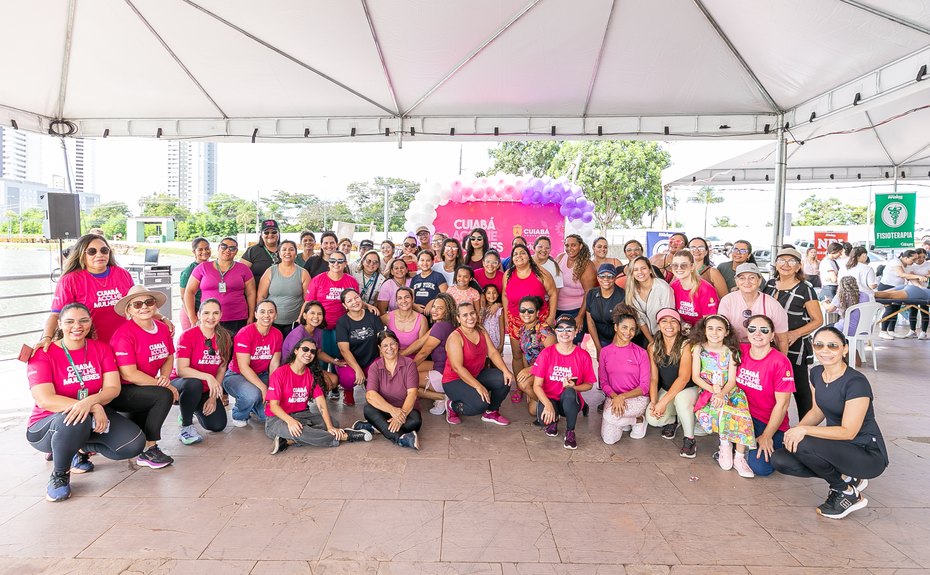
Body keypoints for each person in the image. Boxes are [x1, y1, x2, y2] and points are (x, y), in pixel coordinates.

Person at [26, 303, 145, 502]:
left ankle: (79, 447)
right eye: (69, 321)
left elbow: (112, 389)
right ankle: (60, 475)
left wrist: (92, 402)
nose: (77, 326)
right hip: (47, 426)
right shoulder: (42, 354)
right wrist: (93, 405)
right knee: (76, 417)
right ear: (60, 325)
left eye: (83, 320)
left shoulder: (101, 349)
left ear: (91, 323)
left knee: (133, 444)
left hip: (88, 414)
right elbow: (45, 399)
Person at [771, 326, 889, 519]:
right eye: (819, 345)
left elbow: (848, 432)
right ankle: (848, 478)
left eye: (833, 346)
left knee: (803, 441)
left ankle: (845, 491)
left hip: (866, 453)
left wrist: (804, 431)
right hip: (837, 448)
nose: (825, 350)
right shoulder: (817, 373)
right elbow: (817, 411)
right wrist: (795, 430)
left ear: (845, 349)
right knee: (781, 459)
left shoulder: (856, 383)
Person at [109, 286, 177, 470]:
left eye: (149, 302)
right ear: (129, 310)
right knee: (164, 395)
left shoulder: (162, 328)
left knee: (161, 392)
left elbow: (169, 356)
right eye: (137, 304)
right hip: (123, 390)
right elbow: (128, 373)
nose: (144, 307)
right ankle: (150, 449)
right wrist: (164, 386)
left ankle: (142, 436)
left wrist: (164, 377)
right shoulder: (124, 334)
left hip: (145, 386)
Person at [265, 338, 372, 454]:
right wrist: (290, 421)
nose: (308, 353)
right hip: (278, 419)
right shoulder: (280, 373)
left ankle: (287, 441)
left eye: (312, 351)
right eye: (305, 349)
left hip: (302, 415)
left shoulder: (311, 375)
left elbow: (321, 403)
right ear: (296, 351)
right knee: (300, 431)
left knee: (332, 422)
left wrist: (330, 427)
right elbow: (274, 406)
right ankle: (345, 436)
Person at [41, 234, 148, 349]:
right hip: (90, 346)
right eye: (92, 251)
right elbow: (56, 314)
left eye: (104, 250)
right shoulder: (70, 280)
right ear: (81, 254)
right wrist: (46, 338)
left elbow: (140, 304)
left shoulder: (123, 274)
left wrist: (162, 319)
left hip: (124, 342)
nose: (99, 255)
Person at [689, 315, 753, 476]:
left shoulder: (731, 351)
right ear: (704, 330)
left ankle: (739, 456)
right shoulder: (698, 349)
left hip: (729, 391)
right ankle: (724, 445)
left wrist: (722, 393)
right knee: (720, 410)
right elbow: (695, 376)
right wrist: (713, 390)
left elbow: (731, 380)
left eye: (719, 329)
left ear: (726, 332)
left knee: (741, 414)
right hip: (708, 391)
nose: (714, 332)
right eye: (710, 328)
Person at [763, 247, 823, 419]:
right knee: (772, 386)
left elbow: (818, 320)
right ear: (776, 264)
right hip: (769, 344)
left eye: (791, 261)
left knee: (799, 387)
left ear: (798, 267)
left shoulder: (806, 289)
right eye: (782, 260)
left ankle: (807, 427)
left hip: (794, 346)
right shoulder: (770, 285)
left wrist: (795, 333)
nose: (786, 265)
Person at [734, 315, 795, 477]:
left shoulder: (780, 362)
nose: (757, 333)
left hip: (769, 422)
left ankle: (777, 443)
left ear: (772, 335)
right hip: (743, 416)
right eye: (752, 329)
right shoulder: (740, 351)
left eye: (764, 330)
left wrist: (767, 435)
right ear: (747, 333)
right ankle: (738, 447)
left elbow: (782, 404)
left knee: (761, 468)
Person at [442, 302, 514, 425]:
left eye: (472, 313)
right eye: (465, 315)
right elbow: (457, 368)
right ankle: (452, 406)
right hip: (454, 380)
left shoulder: (481, 330)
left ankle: (491, 412)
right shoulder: (455, 337)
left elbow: (492, 352)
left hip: (476, 374)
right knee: (479, 405)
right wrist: (478, 386)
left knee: (504, 378)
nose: (470, 317)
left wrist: (506, 370)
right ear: (458, 319)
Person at [531, 314, 596, 450]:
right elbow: (536, 386)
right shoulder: (547, 353)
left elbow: (589, 384)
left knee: (570, 393)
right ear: (555, 331)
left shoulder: (583, 355)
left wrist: (575, 387)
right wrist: (547, 405)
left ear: (576, 331)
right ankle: (553, 421)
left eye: (569, 329)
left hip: (569, 401)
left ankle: (570, 432)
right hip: (551, 398)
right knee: (543, 419)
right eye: (560, 329)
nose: (564, 332)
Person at [171, 298, 230, 445]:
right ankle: (186, 426)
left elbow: (222, 367)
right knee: (194, 384)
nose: (211, 317)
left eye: (215, 313)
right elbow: (181, 370)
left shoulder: (225, 337)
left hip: (205, 389)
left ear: (221, 315)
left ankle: (192, 407)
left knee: (217, 425)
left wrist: (213, 397)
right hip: (182, 385)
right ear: (198, 314)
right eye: (206, 313)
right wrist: (208, 377)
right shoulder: (188, 336)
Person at [503, 244, 558, 398]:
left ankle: (537, 385)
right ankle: (520, 387)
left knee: (539, 354)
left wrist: (551, 317)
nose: (519, 256)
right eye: (515, 254)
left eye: (522, 253)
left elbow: (553, 293)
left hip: (538, 319)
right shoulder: (508, 274)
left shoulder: (541, 273)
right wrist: (508, 318)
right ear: (512, 258)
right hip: (515, 320)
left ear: (529, 256)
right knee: (517, 354)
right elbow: (505, 296)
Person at [352, 330, 422, 450]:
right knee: (368, 409)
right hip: (383, 409)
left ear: (397, 345)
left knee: (415, 422)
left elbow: (412, 394)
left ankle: (376, 426)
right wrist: (393, 411)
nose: (389, 348)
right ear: (380, 348)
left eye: (392, 344)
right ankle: (401, 439)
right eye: (385, 345)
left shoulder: (409, 364)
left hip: (406, 409)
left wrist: (400, 415)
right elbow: (370, 395)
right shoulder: (375, 367)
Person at [644, 308, 699, 458]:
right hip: (667, 389)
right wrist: (655, 402)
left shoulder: (686, 344)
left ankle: (690, 440)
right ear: (659, 325)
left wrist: (663, 403)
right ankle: (675, 420)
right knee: (653, 419)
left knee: (681, 400)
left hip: (688, 388)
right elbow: (654, 379)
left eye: (673, 321)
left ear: (679, 325)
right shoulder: (653, 347)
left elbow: (683, 378)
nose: (669, 324)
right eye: (664, 321)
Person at [223, 300, 283, 427]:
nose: (266, 315)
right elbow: (243, 367)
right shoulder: (245, 333)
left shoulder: (277, 334)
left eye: (270, 312)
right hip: (237, 375)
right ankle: (239, 413)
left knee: (267, 415)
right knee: (252, 394)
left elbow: (274, 365)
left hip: (262, 374)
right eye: (262, 312)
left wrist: (272, 389)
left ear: (276, 315)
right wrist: (263, 388)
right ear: (255, 314)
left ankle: (254, 406)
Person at [599, 304, 651, 443]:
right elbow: (603, 382)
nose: (628, 332)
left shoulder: (641, 353)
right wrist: (616, 397)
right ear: (616, 327)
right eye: (624, 327)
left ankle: (639, 419)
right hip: (614, 397)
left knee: (610, 416)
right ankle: (630, 421)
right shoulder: (605, 352)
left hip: (637, 398)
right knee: (609, 440)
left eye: (632, 329)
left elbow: (645, 387)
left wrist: (622, 397)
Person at [186, 236, 255, 335]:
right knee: (210, 349)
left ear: (236, 251)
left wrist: (251, 316)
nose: (228, 250)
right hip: (209, 319)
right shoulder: (203, 267)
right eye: (224, 246)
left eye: (232, 248)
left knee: (235, 349)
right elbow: (189, 292)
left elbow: (251, 293)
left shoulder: (244, 269)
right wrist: (192, 317)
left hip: (237, 319)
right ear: (218, 248)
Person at [718, 263, 789, 353]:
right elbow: (721, 332)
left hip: (763, 352)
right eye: (742, 278)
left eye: (752, 277)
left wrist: (782, 363)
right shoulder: (727, 301)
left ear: (759, 281)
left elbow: (782, 340)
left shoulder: (773, 305)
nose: (747, 282)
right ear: (736, 281)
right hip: (733, 350)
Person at [305, 249, 360, 362]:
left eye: (340, 261)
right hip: (320, 325)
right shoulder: (317, 280)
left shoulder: (352, 281)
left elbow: (356, 302)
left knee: (339, 358)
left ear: (345, 263)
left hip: (342, 326)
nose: (336, 263)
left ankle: (337, 378)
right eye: (332, 260)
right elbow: (308, 303)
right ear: (328, 263)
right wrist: (302, 319)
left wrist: (368, 306)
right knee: (321, 359)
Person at [335, 288, 384, 406]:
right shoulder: (342, 322)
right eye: (350, 300)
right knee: (349, 378)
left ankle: (373, 391)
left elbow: (382, 340)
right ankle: (348, 391)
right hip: (350, 361)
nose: (355, 302)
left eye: (356, 298)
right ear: (345, 305)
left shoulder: (372, 316)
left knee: (381, 372)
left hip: (371, 359)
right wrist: (357, 369)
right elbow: (344, 350)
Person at [411, 293, 458, 415]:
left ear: (448, 310)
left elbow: (424, 352)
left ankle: (443, 398)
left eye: (440, 308)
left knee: (406, 380)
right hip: (447, 369)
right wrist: (402, 353)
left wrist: (408, 370)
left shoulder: (440, 327)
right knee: (413, 367)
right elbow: (421, 341)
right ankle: (444, 396)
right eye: (434, 306)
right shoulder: (447, 324)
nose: (435, 310)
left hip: (444, 375)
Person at [281, 300, 342, 391]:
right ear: (304, 315)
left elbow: (319, 352)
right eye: (312, 313)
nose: (316, 317)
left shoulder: (318, 331)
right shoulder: (298, 334)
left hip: (306, 365)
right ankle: (302, 400)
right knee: (325, 382)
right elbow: (295, 362)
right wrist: (319, 374)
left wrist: (336, 362)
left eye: (319, 314)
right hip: (292, 369)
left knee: (334, 379)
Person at [257, 239, 310, 336]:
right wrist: (262, 317)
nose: (287, 252)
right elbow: (261, 297)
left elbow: (308, 299)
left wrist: (301, 318)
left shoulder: (303, 273)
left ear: (296, 253)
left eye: (291, 249)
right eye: (284, 249)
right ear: (279, 253)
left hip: (294, 322)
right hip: (271, 322)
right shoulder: (270, 271)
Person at [556, 234, 597, 345]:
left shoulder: (587, 265)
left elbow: (589, 293)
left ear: (581, 246)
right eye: (567, 245)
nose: (569, 248)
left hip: (576, 310)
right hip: (557, 310)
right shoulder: (560, 258)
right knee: (558, 344)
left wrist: (580, 316)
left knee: (572, 344)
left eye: (573, 245)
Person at [625, 255, 674, 345]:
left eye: (643, 268)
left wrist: (662, 342)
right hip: (646, 335)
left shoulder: (662, 287)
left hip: (667, 333)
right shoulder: (632, 291)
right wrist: (651, 342)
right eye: (635, 270)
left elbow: (669, 316)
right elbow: (640, 320)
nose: (640, 272)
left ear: (650, 270)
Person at [668, 250, 719, 329]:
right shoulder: (673, 286)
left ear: (692, 266)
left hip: (702, 331)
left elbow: (709, 321)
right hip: (682, 330)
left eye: (683, 265)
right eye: (675, 265)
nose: (679, 268)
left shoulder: (706, 289)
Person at [875, 249, 919, 339]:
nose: (914, 262)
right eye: (913, 259)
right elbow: (901, 274)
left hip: (898, 288)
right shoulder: (895, 262)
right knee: (890, 309)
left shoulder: (909, 266)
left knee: (896, 309)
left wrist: (919, 286)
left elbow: (910, 278)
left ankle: (891, 330)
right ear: (905, 257)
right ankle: (883, 331)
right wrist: (919, 276)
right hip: (887, 287)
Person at [585, 262, 625, 359]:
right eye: (602, 276)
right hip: (600, 338)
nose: (606, 279)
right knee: (602, 368)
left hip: (620, 338)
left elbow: (621, 326)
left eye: (610, 276)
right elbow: (590, 322)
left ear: (615, 278)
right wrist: (599, 348)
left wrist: (611, 349)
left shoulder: (622, 295)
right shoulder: (591, 294)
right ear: (598, 278)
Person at [381, 287, 427, 356]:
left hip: (413, 359)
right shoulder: (388, 317)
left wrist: (402, 353)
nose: (403, 301)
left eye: (407, 297)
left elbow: (422, 347)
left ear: (412, 299)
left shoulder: (422, 320)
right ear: (396, 302)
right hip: (391, 357)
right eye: (400, 298)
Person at [179, 237, 211, 331]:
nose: (204, 252)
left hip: (206, 312)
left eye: (207, 248)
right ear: (194, 252)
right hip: (192, 312)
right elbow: (183, 296)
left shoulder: (213, 267)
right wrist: (192, 318)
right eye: (200, 249)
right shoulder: (188, 271)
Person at [409, 250, 447, 314]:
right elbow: (410, 297)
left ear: (432, 262)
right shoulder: (415, 279)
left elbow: (445, 295)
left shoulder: (438, 276)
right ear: (418, 262)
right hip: (417, 314)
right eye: (422, 260)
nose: (425, 263)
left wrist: (433, 302)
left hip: (434, 313)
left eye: (428, 260)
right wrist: (414, 306)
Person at [904, 248, 930, 339]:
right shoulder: (911, 265)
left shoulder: (928, 264)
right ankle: (912, 330)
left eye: (924, 257)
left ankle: (923, 332)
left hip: (925, 289)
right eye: (919, 257)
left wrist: (926, 276)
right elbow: (910, 277)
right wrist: (919, 284)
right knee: (913, 309)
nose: (921, 259)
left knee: (924, 310)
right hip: (913, 289)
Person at [480, 284, 504, 354]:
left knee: (495, 362)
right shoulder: (482, 309)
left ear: (498, 294)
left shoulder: (500, 310)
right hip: (484, 342)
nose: (491, 295)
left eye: (494, 293)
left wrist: (501, 344)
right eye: (488, 293)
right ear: (484, 295)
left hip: (496, 341)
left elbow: (502, 328)